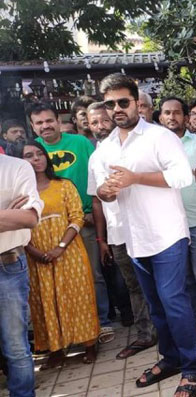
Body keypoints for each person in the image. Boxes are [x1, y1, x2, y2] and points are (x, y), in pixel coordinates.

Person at [94, 73, 196, 397]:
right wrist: (107, 191)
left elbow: (183, 176)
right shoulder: (105, 147)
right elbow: (106, 193)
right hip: (133, 236)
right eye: (111, 104)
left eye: (123, 102)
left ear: (136, 102)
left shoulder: (159, 136)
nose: (117, 108)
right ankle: (170, 359)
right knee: (155, 306)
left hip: (167, 233)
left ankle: (192, 369)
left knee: (174, 302)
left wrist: (135, 177)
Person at [28, 102, 115, 344]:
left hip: (85, 220)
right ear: (33, 127)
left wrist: (91, 212)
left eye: (49, 120)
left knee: (93, 275)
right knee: (55, 283)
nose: (45, 126)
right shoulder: (32, 151)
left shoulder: (81, 143)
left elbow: (96, 176)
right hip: (46, 229)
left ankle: (102, 322)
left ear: (58, 120)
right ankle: (66, 331)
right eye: (39, 123)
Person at [86, 101, 157, 360]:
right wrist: (102, 239)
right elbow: (96, 200)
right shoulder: (95, 157)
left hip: (151, 227)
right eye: (95, 122)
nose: (101, 126)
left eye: (105, 120)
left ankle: (174, 329)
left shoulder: (143, 144)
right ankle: (146, 334)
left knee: (164, 283)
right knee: (134, 286)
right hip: (118, 234)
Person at [20, 140, 100, 368]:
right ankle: (55, 349)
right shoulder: (20, 193)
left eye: (39, 154)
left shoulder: (64, 185)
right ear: (21, 162)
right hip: (36, 254)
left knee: (77, 295)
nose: (35, 159)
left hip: (68, 251)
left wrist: (60, 247)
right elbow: (18, 225)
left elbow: (76, 217)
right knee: (45, 301)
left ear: (46, 158)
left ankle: (89, 344)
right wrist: (33, 250)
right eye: (28, 156)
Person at [159, 96, 196, 343]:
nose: (172, 117)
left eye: (176, 113)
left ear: (185, 117)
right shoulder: (156, 145)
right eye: (166, 113)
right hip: (170, 223)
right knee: (184, 277)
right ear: (160, 117)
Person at [0, 152, 44, 397]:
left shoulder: (16, 167)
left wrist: (19, 218)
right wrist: (8, 215)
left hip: (8, 264)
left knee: (15, 345)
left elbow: (28, 218)